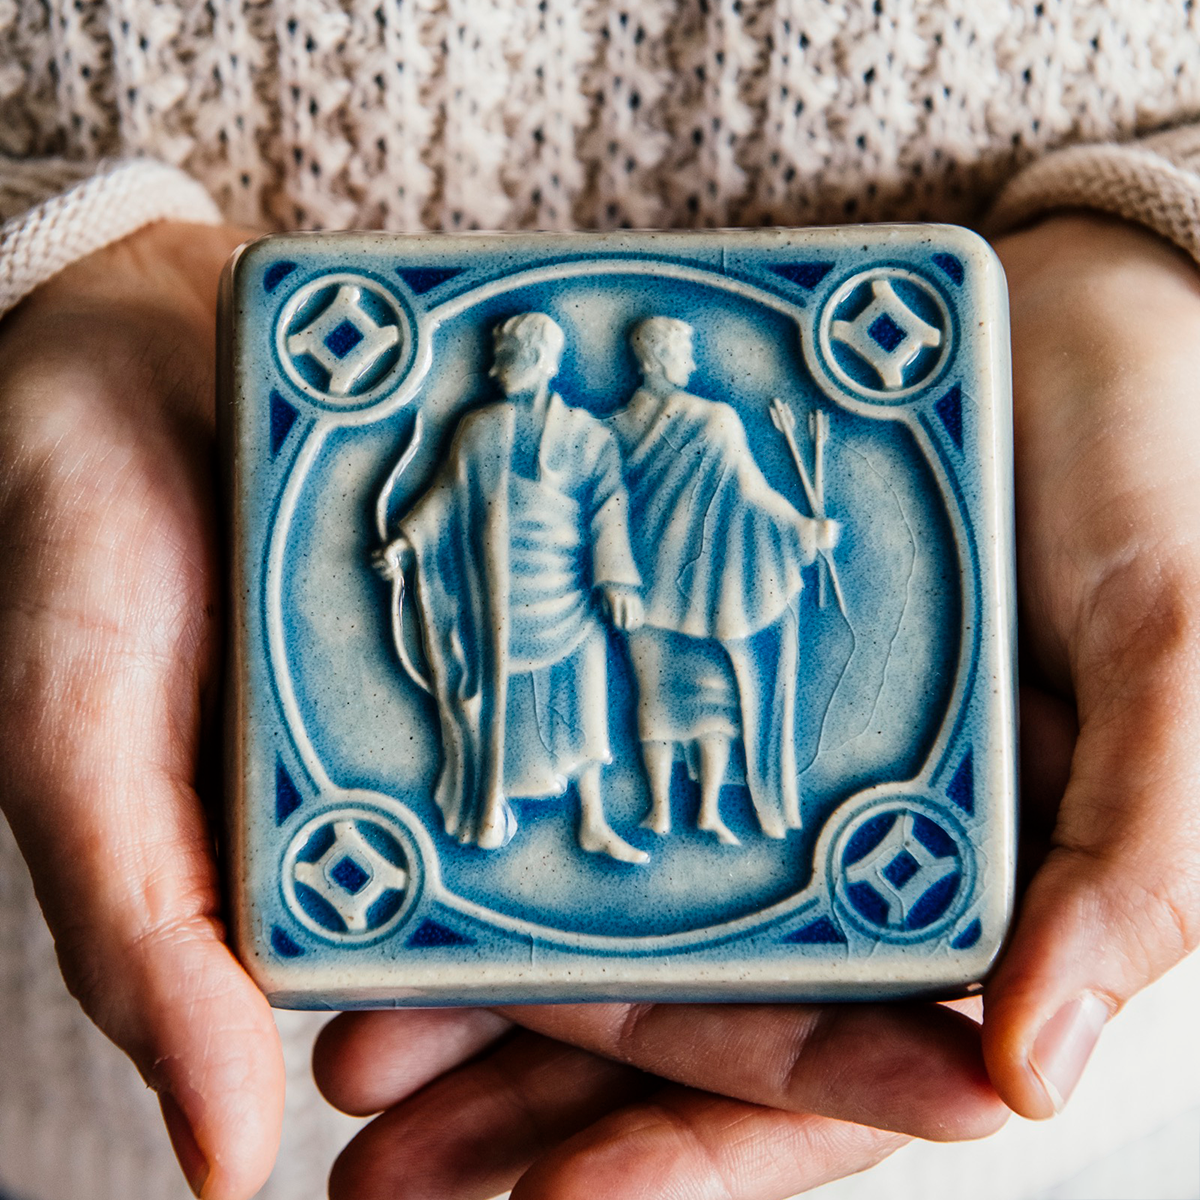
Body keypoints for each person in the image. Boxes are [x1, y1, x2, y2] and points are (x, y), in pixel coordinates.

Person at [1, 6, 1200, 1199]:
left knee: (588, 725)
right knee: (531, 721)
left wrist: (1157, 246)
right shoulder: (490, 425)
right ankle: (488, 821)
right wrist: (401, 546)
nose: (531, 372)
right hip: (73, 1113)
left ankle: (608, 823)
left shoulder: (598, 433)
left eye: (533, 360)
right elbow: (436, 499)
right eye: (518, 362)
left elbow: (637, 516)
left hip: (589, 616)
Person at [375, 311, 647, 863]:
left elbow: (609, 510)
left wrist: (617, 578)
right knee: (495, 703)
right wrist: (405, 545)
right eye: (496, 357)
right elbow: (447, 494)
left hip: (568, 595)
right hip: (497, 595)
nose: (494, 369)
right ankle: (488, 800)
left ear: (542, 362)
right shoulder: (479, 429)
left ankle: (594, 819)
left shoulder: (589, 437)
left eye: (508, 358)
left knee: (584, 704)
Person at [611, 316, 839, 844]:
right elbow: (754, 495)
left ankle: (682, 810)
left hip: (651, 593)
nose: (691, 363)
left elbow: (747, 494)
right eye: (683, 352)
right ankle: (685, 811)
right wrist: (804, 531)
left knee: (669, 699)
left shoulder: (619, 428)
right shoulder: (703, 422)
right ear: (657, 359)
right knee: (686, 701)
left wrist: (803, 530)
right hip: (692, 594)